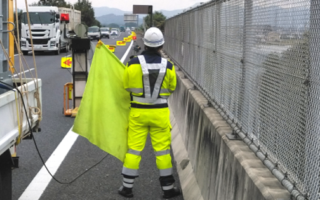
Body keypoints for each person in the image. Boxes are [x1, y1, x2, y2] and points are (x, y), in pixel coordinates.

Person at [118, 27, 181, 199]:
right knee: (162, 151)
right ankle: (168, 189)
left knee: (134, 150)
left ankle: (127, 188)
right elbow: (172, 88)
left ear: (144, 43)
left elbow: (126, 85)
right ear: (161, 45)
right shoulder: (168, 66)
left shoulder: (132, 64)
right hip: (159, 113)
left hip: (138, 113)